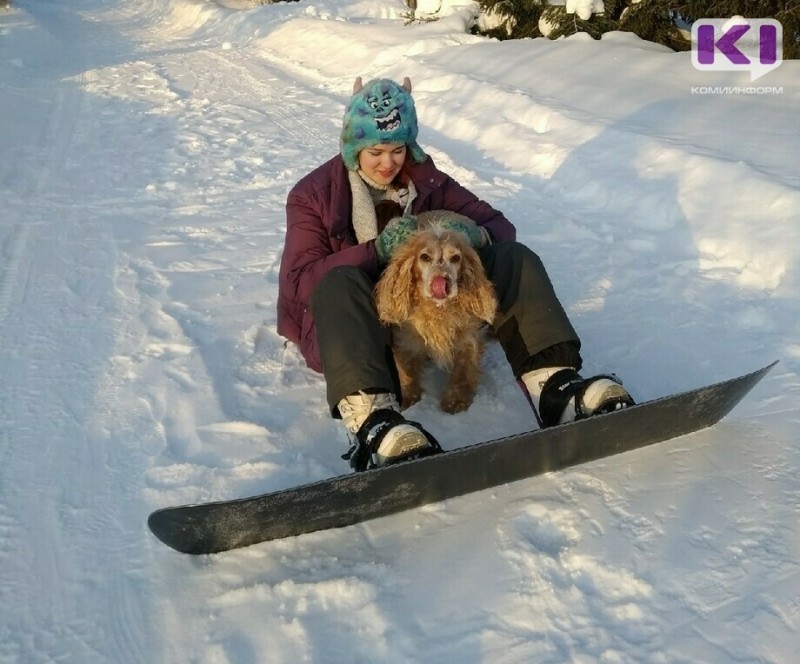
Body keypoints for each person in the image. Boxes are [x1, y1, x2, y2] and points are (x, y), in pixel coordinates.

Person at [277, 77, 633, 471]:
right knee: (338, 281)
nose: (388, 163)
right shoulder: (312, 195)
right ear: (352, 147)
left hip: (429, 299)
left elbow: (499, 227)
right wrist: (375, 252)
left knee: (512, 256)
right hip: (355, 318)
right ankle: (373, 422)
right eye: (374, 150)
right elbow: (299, 281)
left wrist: (471, 234)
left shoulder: (425, 181)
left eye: (398, 149)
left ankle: (555, 384)